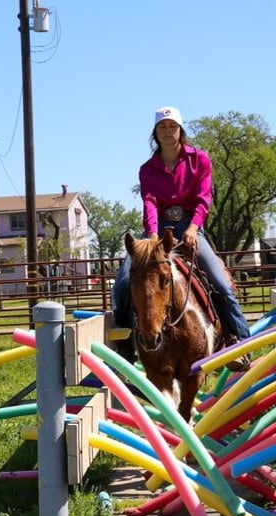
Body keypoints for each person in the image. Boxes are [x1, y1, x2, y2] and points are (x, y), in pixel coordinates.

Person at [112, 105, 251, 371]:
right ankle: (126, 348)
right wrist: (152, 234)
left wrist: (193, 228)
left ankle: (241, 342)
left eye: (172, 126)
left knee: (221, 284)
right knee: (123, 282)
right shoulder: (148, 169)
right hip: (157, 230)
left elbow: (203, 198)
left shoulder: (200, 160)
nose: (168, 131)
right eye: (162, 127)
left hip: (191, 227)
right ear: (156, 132)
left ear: (180, 130)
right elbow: (150, 201)